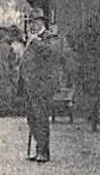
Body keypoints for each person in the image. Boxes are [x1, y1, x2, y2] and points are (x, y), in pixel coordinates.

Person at [19, 14, 66, 162]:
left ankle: (44, 152)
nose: (31, 26)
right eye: (30, 23)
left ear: (41, 23)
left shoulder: (51, 37)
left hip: (43, 85)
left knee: (41, 118)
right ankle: (38, 148)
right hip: (30, 84)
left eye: (34, 22)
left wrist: (35, 42)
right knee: (32, 118)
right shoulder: (31, 39)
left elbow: (52, 53)